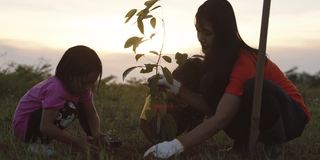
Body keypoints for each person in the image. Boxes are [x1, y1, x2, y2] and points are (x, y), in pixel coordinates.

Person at [144, 0, 311, 159]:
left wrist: (175, 146)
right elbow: (214, 107)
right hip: (260, 110)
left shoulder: (245, 62)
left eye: (207, 32)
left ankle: (272, 146)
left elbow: (221, 117)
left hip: (291, 116)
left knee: (254, 87)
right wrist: (177, 88)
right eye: (198, 30)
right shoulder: (218, 60)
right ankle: (244, 144)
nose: (201, 37)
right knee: (198, 71)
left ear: (223, 34)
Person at [11, 45, 113, 156]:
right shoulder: (56, 89)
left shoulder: (81, 89)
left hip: (40, 124)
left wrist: (96, 133)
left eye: (91, 83)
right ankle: (35, 143)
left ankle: (93, 141)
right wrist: (76, 143)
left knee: (81, 106)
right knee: (71, 107)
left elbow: (91, 113)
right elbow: (46, 126)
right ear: (69, 75)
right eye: (84, 83)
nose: (87, 88)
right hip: (25, 126)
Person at [139, 58, 205, 144]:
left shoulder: (198, 101)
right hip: (167, 124)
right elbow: (143, 123)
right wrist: (157, 143)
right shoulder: (160, 95)